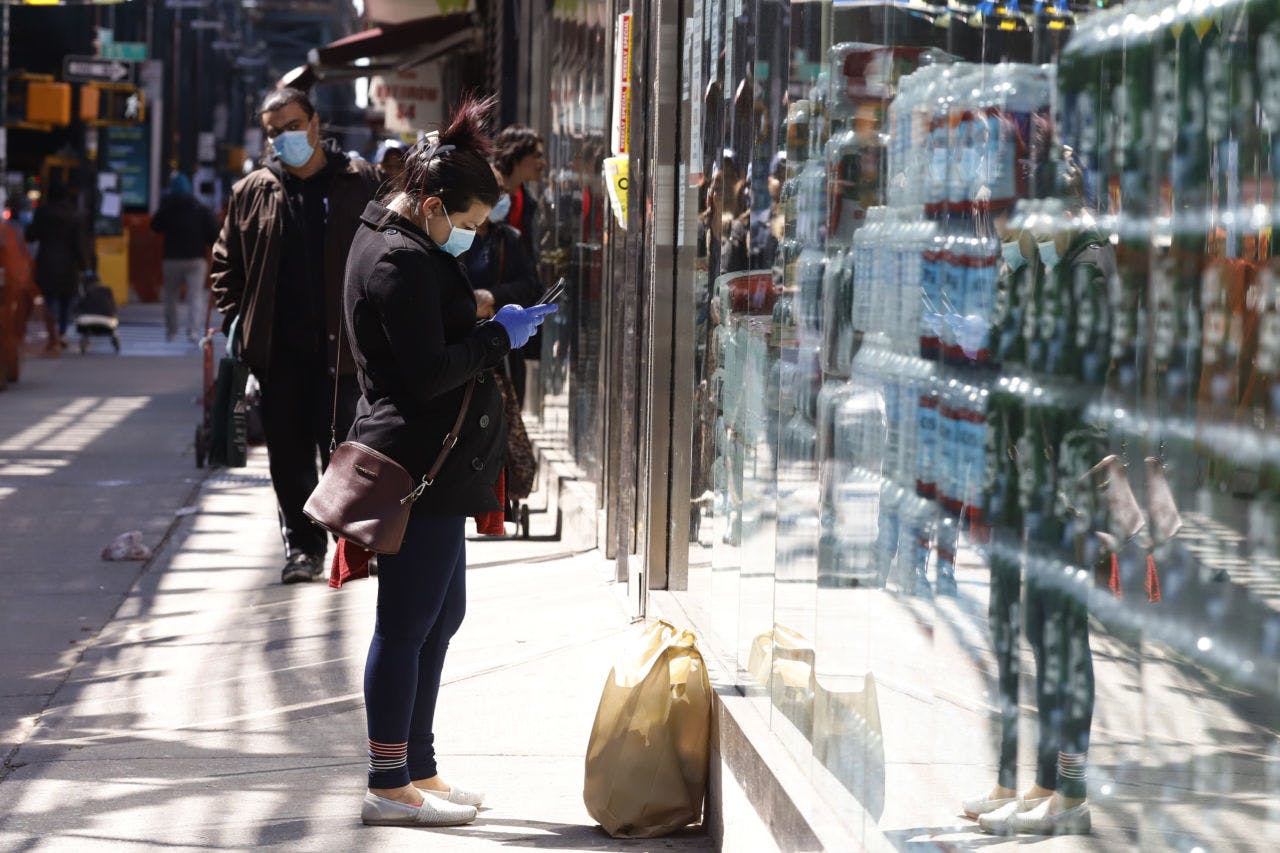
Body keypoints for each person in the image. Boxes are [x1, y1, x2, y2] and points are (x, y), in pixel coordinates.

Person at [342, 95, 556, 827]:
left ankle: (417, 764)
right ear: (432, 204)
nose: (469, 238)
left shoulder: (408, 242)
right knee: (405, 623)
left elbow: (433, 330)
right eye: (465, 225)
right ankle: (386, 780)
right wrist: (499, 335)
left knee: (441, 615)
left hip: (437, 463)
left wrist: (490, 318)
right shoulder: (398, 259)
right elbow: (426, 370)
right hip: (415, 464)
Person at [210, 87, 378, 584]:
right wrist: (243, 319)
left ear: (315, 121)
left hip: (348, 351)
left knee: (348, 455)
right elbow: (226, 265)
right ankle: (303, 548)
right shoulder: (253, 191)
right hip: (280, 354)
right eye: (274, 131)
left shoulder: (362, 182)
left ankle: (350, 547)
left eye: (292, 124)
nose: (285, 137)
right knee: (288, 458)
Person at [463, 168, 542, 403]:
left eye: (502, 192)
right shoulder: (453, 236)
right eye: (494, 193)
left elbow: (529, 285)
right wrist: (470, 305)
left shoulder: (509, 238)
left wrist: (493, 296)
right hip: (465, 343)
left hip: (504, 346)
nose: (501, 199)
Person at [151, 172, 220, 341]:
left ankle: (171, 330)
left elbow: (155, 225)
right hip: (196, 259)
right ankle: (193, 331)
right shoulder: (200, 208)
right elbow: (214, 234)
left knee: (171, 296)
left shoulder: (168, 207)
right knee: (195, 295)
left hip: (171, 259)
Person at [24, 182, 87, 355]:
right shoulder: (73, 215)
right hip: (68, 264)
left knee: (49, 300)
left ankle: (51, 336)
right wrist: (84, 266)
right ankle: (62, 333)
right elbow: (78, 244)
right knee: (65, 302)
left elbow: (31, 235)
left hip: (46, 261)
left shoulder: (43, 212)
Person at [492, 125, 545, 269]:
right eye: (537, 156)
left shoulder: (528, 201)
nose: (543, 163)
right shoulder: (486, 197)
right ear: (516, 154)